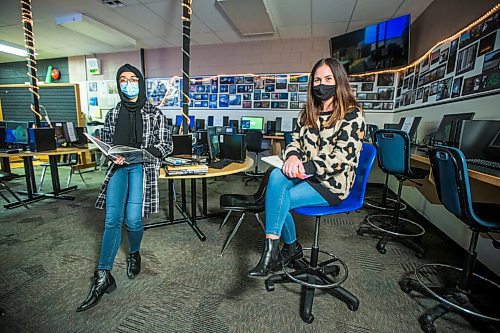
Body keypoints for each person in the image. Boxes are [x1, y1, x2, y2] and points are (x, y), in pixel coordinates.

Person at [248, 58, 365, 277]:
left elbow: (343, 157)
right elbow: (295, 141)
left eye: (328, 79)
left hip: (332, 183)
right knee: (275, 177)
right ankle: (281, 249)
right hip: (306, 174)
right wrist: (292, 155)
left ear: (339, 80)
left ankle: (280, 250)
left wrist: (307, 165)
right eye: (318, 80)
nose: (322, 84)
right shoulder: (309, 112)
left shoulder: (352, 114)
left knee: (278, 199)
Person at [77, 64, 173, 311]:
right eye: (123, 79)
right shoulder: (112, 113)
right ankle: (103, 275)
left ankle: (134, 252)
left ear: (140, 83)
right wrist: (111, 155)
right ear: (118, 84)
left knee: (132, 221)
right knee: (111, 220)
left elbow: (166, 145)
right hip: (119, 168)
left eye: (132, 79)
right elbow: (108, 142)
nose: (128, 83)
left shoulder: (154, 113)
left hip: (141, 167)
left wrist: (143, 153)